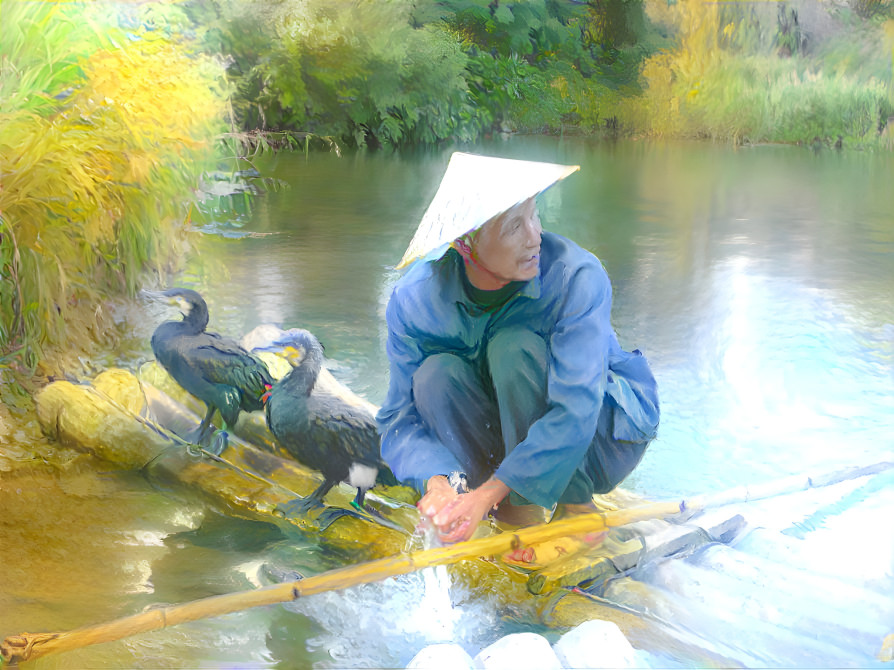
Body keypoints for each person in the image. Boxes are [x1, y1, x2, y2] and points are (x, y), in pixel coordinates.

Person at [376, 152, 659, 545]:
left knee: (512, 347)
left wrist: (488, 492)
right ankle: (513, 511)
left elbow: (576, 409)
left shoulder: (576, 275)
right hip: (502, 432)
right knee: (434, 375)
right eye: (514, 227)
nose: (534, 236)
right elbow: (398, 418)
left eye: (534, 215)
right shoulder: (414, 300)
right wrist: (437, 481)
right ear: (464, 243)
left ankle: (576, 509)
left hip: (602, 433)